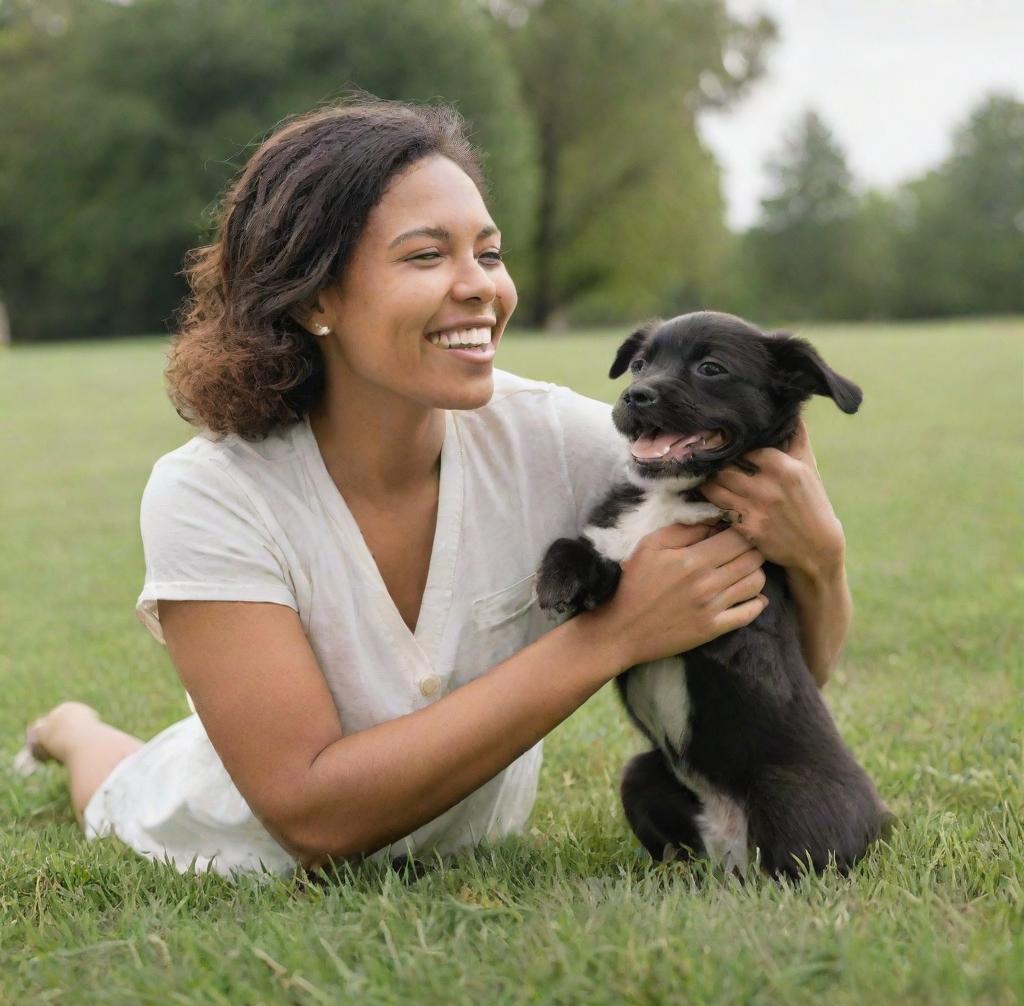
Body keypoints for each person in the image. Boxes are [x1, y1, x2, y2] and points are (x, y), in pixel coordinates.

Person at [18, 98, 851, 878]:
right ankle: (71, 729)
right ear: (315, 299)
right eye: (427, 254)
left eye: (488, 252)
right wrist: (610, 637)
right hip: (217, 833)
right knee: (117, 784)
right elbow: (311, 819)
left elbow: (782, 673)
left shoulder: (563, 441)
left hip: (462, 847)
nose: (481, 286)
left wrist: (820, 558)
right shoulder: (209, 493)